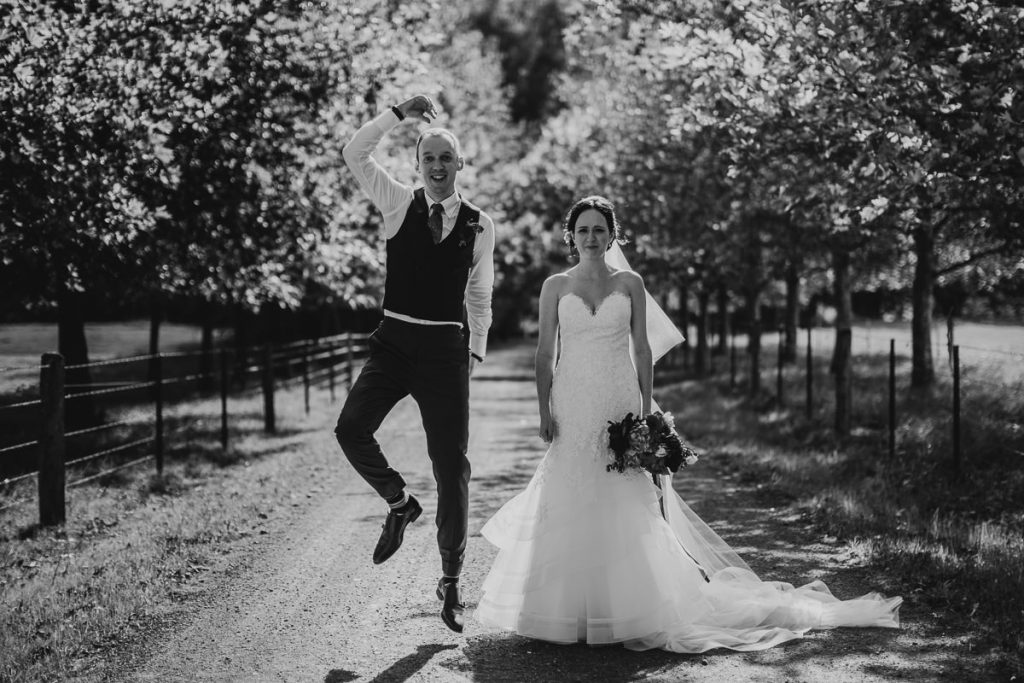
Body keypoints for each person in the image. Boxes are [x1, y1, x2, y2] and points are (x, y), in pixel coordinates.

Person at [474, 195, 901, 651]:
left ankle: (627, 608)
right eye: (584, 230)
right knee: (569, 489)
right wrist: (544, 410)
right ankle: (568, 611)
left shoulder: (631, 282)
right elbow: (544, 353)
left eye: (600, 229)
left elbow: (641, 349)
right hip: (572, 399)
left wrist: (644, 413)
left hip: (618, 399)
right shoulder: (554, 286)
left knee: (624, 494)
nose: (592, 238)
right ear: (571, 236)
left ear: (611, 234)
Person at [338, 94, 495, 633]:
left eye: (445, 158)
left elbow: (479, 296)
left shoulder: (479, 224)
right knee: (351, 428)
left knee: (452, 469)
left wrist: (474, 350)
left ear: (459, 165)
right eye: (428, 157)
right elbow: (354, 152)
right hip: (395, 345)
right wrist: (397, 115)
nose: (436, 166)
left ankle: (451, 579)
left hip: (446, 352)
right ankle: (399, 503)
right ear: (417, 164)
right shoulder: (396, 202)